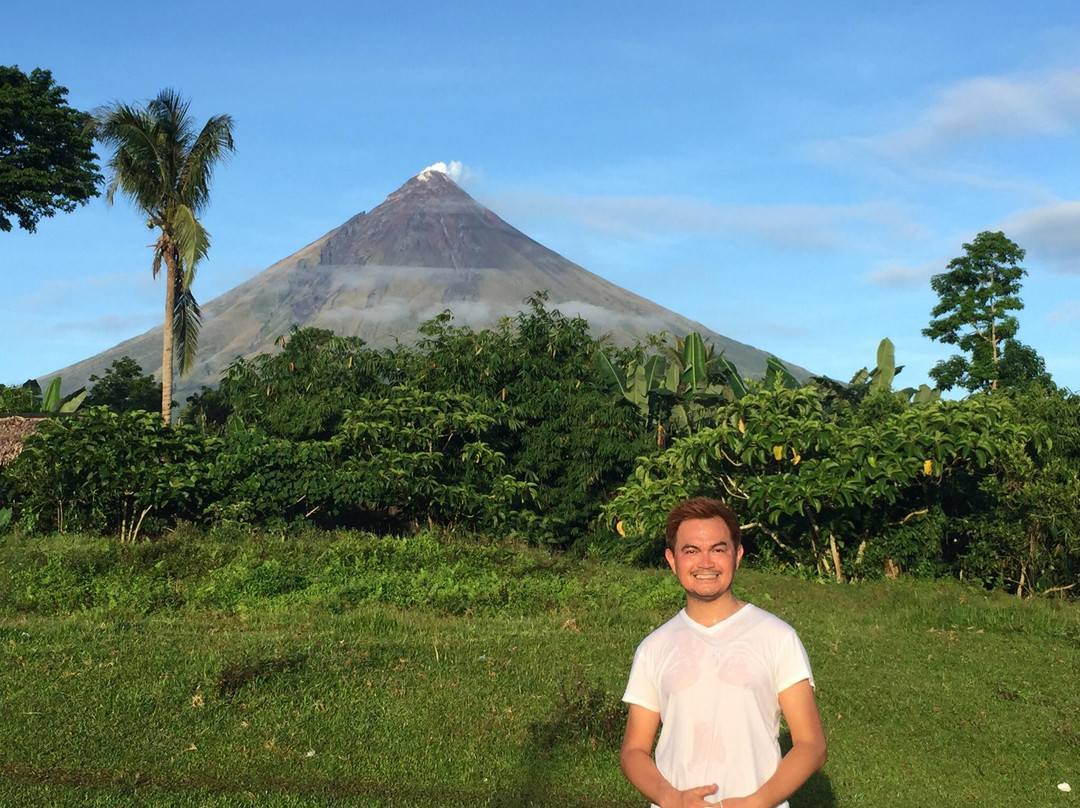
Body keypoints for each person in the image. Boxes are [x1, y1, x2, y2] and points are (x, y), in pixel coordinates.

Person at [620, 497, 826, 808]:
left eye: (718, 549)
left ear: (737, 555)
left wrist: (757, 802)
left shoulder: (778, 637)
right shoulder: (653, 648)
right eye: (691, 551)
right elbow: (633, 750)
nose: (705, 563)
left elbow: (811, 745)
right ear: (672, 560)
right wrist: (670, 798)